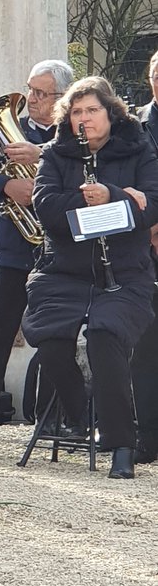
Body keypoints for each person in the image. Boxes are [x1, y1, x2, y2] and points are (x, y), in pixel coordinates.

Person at [22, 76, 158, 480]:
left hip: (124, 276)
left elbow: (152, 206)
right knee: (49, 336)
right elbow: (45, 207)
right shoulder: (56, 154)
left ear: (111, 113)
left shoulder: (139, 147)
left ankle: (120, 444)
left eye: (92, 110)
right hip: (62, 273)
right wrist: (97, 201)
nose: (84, 119)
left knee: (104, 335)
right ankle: (82, 414)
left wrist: (113, 193)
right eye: (77, 112)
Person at [0, 59, 74, 440]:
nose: (32, 99)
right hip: (14, 247)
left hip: (60, 249)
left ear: (62, 98)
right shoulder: (5, 130)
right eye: (31, 90)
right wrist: (7, 187)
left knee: (57, 333)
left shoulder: (74, 136)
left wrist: (41, 165)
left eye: (41, 93)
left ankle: (50, 418)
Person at [131, 50, 158, 463]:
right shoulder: (134, 126)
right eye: (157, 74)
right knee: (145, 346)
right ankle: (148, 438)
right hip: (145, 248)